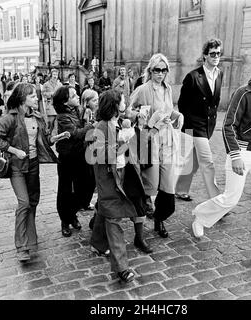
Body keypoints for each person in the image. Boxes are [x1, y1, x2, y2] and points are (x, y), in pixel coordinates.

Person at [192, 52, 251, 274]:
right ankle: (200, 215)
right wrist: (234, 155)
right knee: (231, 198)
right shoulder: (244, 93)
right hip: (241, 152)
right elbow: (228, 126)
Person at [0, 83, 69, 262]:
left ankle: (31, 241)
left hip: (34, 165)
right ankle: (21, 246)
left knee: (33, 202)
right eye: (33, 96)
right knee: (24, 203)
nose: (36, 99)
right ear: (22, 98)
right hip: (17, 167)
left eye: (36, 96)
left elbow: (45, 140)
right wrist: (14, 150)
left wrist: (55, 138)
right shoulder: (10, 118)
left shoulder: (38, 117)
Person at [89, 89, 150, 283]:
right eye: (123, 100)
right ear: (115, 105)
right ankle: (121, 268)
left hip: (121, 173)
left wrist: (135, 132)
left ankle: (98, 243)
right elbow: (99, 155)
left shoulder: (118, 123)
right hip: (107, 178)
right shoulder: (100, 126)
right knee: (114, 218)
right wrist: (124, 142)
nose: (126, 103)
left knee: (105, 210)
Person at [127, 53, 184, 238]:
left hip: (166, 141)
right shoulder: (143, 89)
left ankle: (160, 219)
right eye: (156, 70)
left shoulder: (168, 88)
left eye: (164, 70)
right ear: (150, 71)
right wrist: (139, 116)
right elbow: (128, 111)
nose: (160, 73)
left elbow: (168, 110)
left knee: (168, 186)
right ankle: (138, 222)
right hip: (149, 141)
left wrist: (177, 115)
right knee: (150, 185)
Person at [175, 39, 224, 202]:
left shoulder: (219, 73)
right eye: (212, 54)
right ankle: (217, 201)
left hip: (208, 125)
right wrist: (190, 125)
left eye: (218, 53)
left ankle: (180, 190)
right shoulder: (193, 77)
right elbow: (182, 104)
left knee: (193, 160)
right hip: (194, 126)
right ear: (205, 55)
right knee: (207, 162)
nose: (216, 56)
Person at [53, 86, 94, 237]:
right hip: (67, 157)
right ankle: (65, 220)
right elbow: (75, 134)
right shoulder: (62, 116)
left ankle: (72, 213)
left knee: (85, 187)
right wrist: (90, 126)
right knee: (64, 190)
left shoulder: (78, 110)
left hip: (80, 155)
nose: (77, 96)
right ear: (65, 102)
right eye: (73, 95)